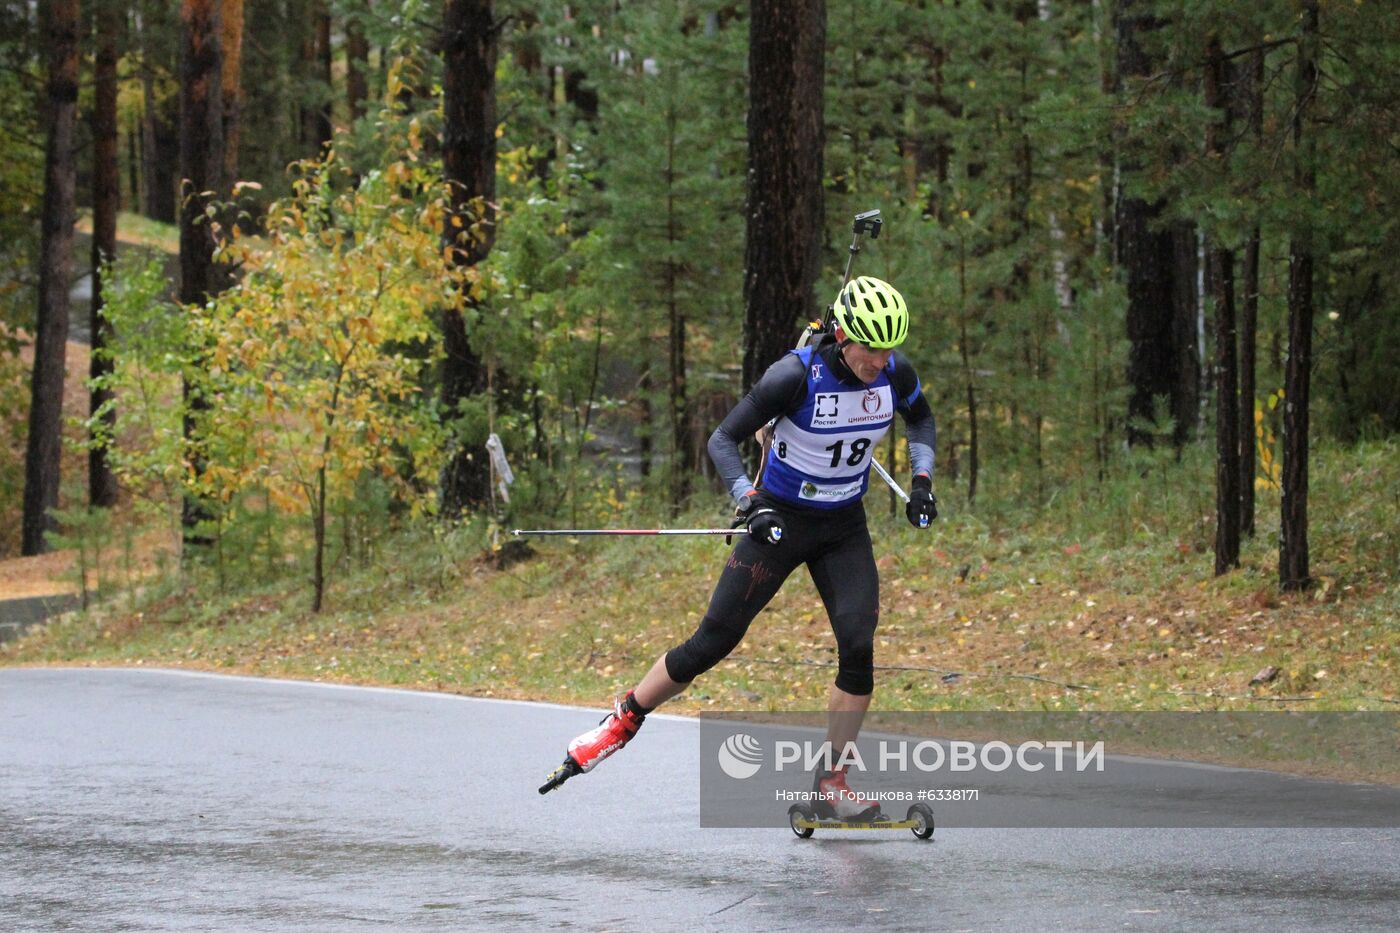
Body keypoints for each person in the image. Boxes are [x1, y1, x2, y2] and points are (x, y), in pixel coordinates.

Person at [554, 276, 937, 818]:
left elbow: (921, 418)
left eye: (889, 347)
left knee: (858, 644)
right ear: (844, 333)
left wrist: (922, 481)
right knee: (712, 641)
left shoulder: (894, 373)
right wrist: (749, 501)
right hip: (779, 522)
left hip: (843, 527)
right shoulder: (795, 375)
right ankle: (624, 718)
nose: (881, 359)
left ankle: (831, 784)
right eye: (871, 347)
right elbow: (722, 439)